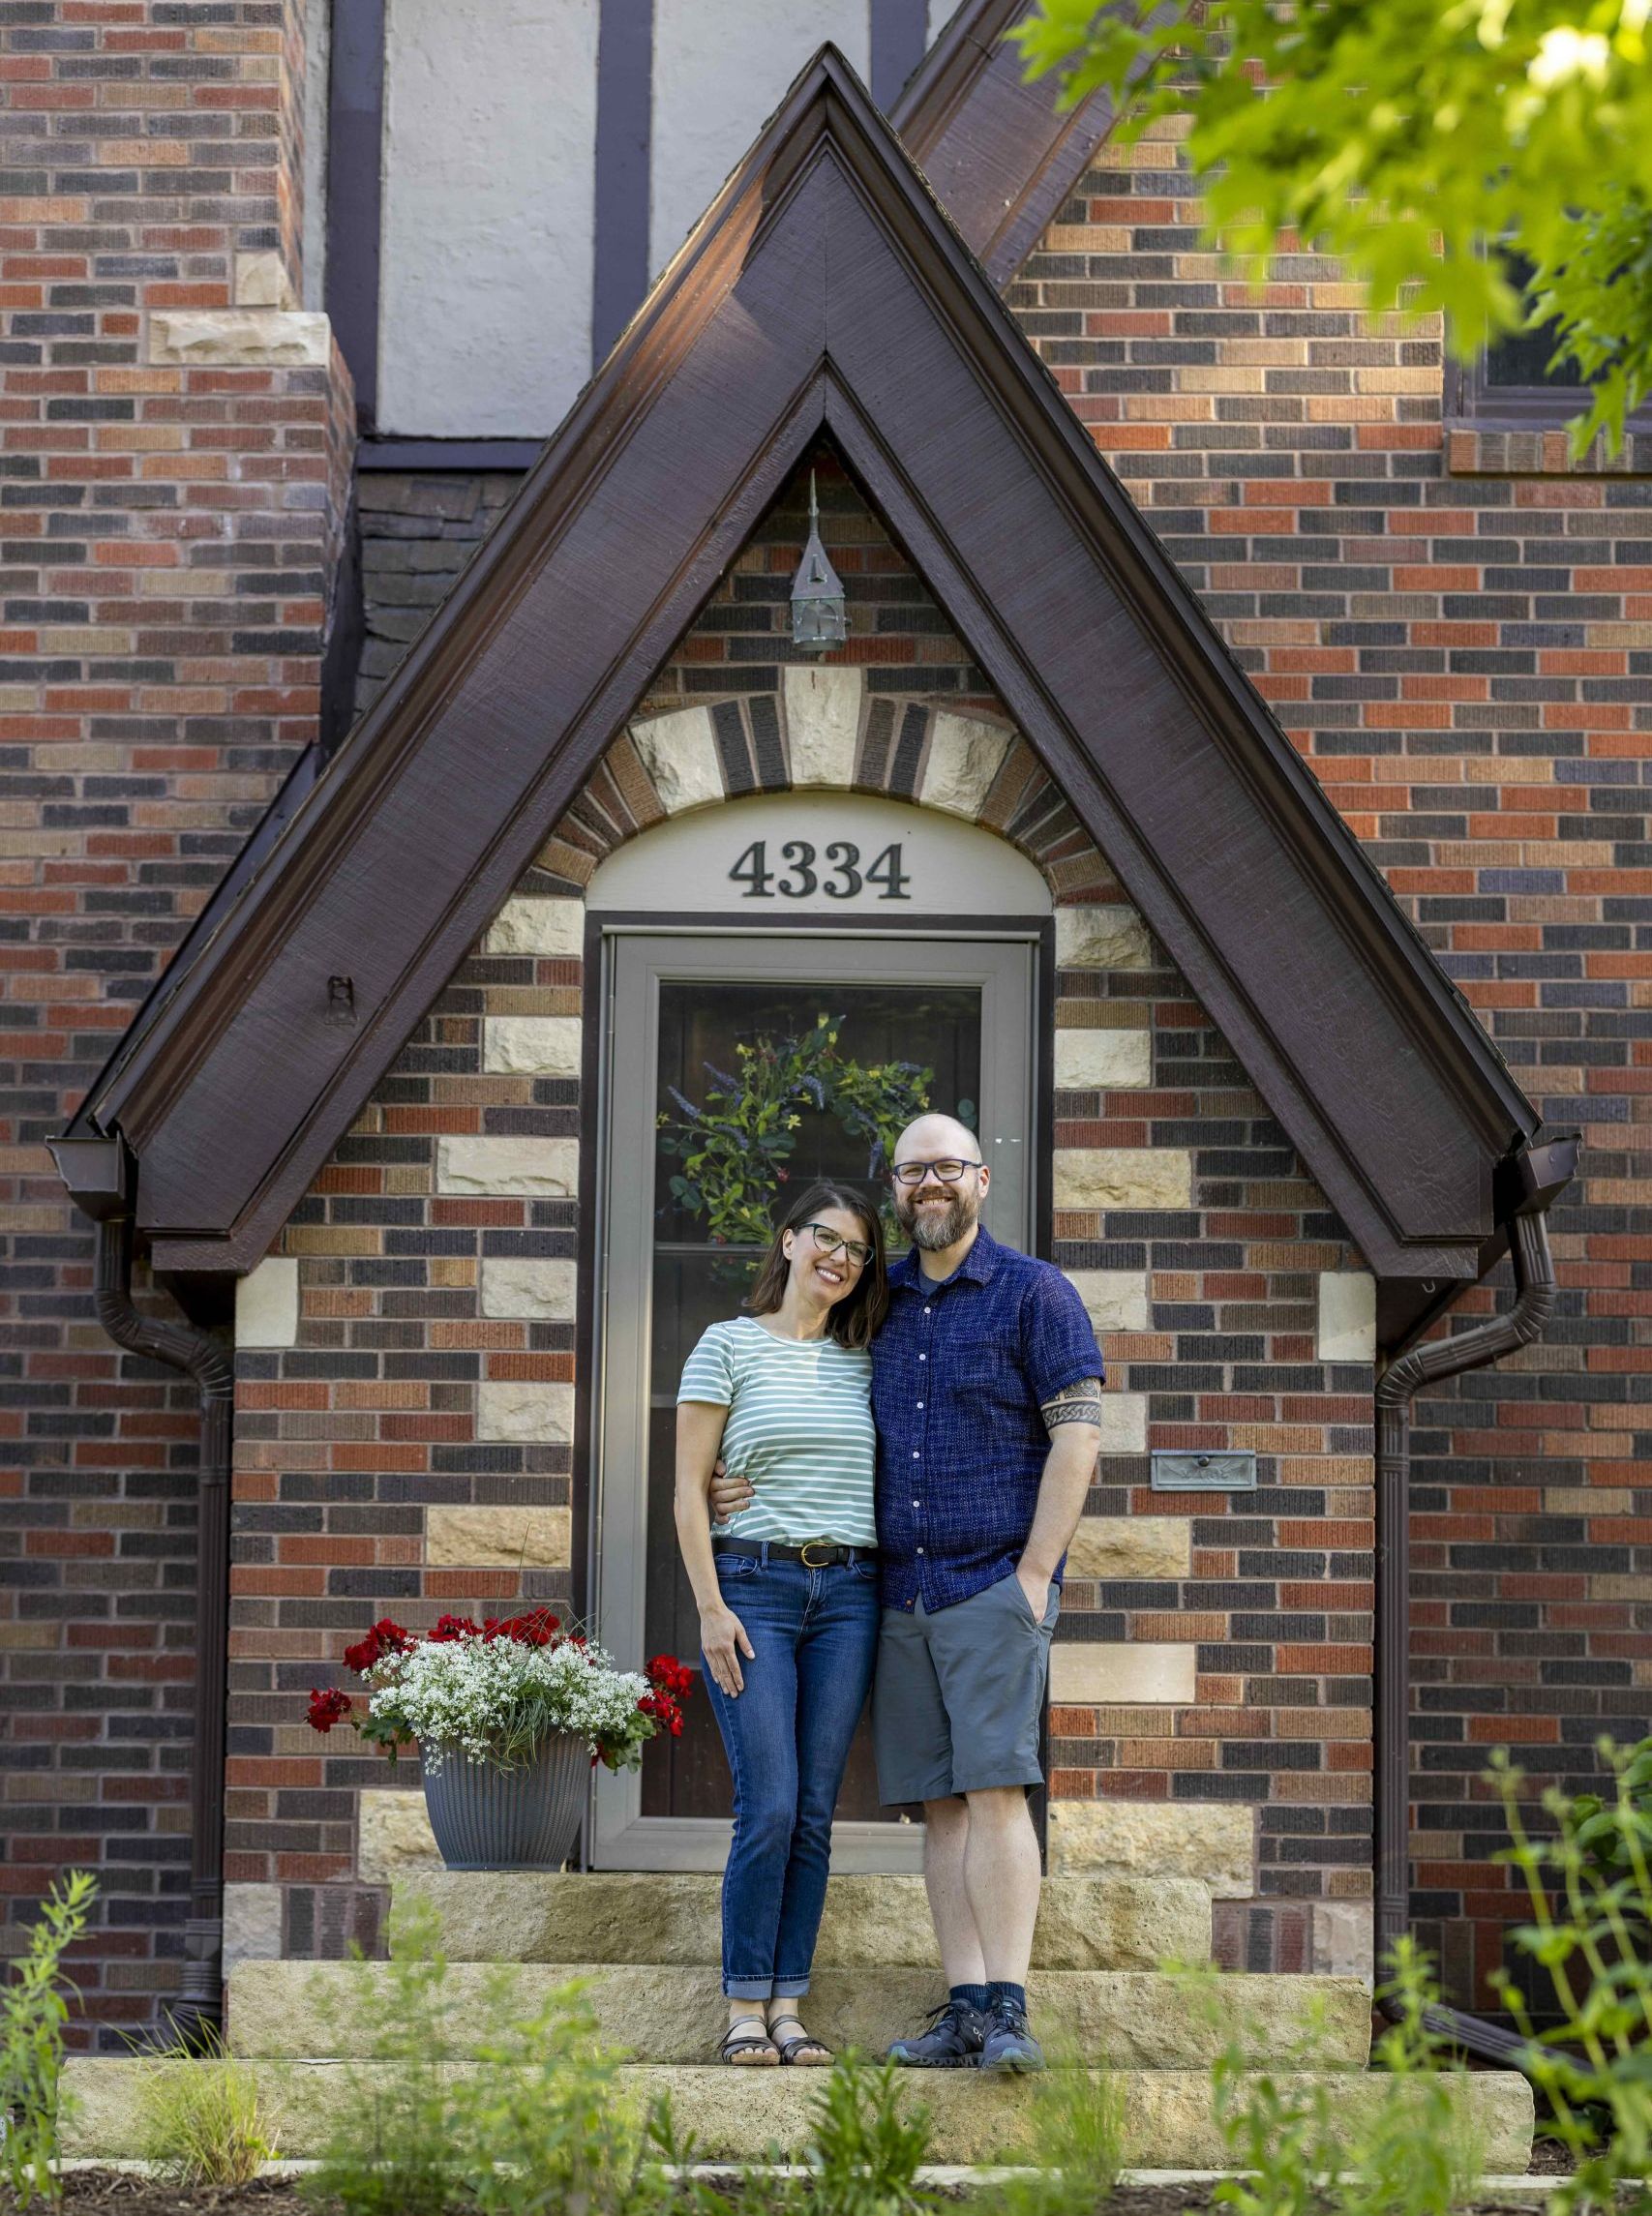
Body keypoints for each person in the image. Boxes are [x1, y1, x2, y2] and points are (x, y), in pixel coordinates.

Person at [711, 1113, 1103, 2074]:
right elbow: (799, 1395)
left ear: (981, 1179)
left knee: (996, 1792)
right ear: (896, 1188)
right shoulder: (872, 1306)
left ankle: (1009, 2009)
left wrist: (1034, 1577)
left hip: (991, 1585)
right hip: (896, 1594)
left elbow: (1080, 1434)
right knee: (940, 1807)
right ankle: (965, 2007)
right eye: (914, 1170)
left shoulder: (1035, 1294)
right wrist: (736, 1477)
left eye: (949, 1168)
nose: (932, 1184)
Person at [675, 1181, 888, 2068]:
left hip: (849, 1594)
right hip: (753, 1587)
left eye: (857, 1251)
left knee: (811, 1812)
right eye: (826, 1240)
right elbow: (690, 1491)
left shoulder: (867, 1357)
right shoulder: (725, 1345)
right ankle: (741, 2009)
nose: (840, 1259)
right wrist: (711, 1608)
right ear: (790, 1241)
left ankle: (790, 2007)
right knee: (765, 1803)